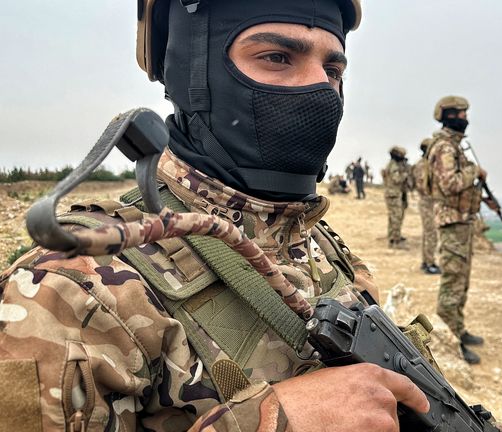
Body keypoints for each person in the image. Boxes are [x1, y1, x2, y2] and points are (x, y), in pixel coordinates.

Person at [0, 2, 432, 431]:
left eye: (333, 71)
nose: (320, 90)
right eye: (277, 58)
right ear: (194, 74)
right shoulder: (72, 287)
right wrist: (266, 423)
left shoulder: (318, 242)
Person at [425, 95, 487, 364]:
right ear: (449, 115)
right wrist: (474, 171)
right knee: (452, 281)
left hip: (462, 221)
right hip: (452, 221)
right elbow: (449, 184)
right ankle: (449, 341)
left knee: (462, 279)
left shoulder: (454, 146)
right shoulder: (445, 148)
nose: (464, 119)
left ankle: (458, 330)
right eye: (460, 114)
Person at [411, 138, 441, 274]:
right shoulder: (423, 165)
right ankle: (430, 263)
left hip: (430, 202)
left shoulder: (427, 164)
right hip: (428, 202)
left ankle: (426, 261)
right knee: (431, 234)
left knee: (429, 233)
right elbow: (424, 187)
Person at [381, 146, 411, 249]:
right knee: (396, 217)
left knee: (393, 217)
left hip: (395, 194)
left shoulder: (393, 164)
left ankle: (393, 236)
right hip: (393, 194)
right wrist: (405, 174)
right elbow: (397, 179)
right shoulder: (393, 166)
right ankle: (395, 241)